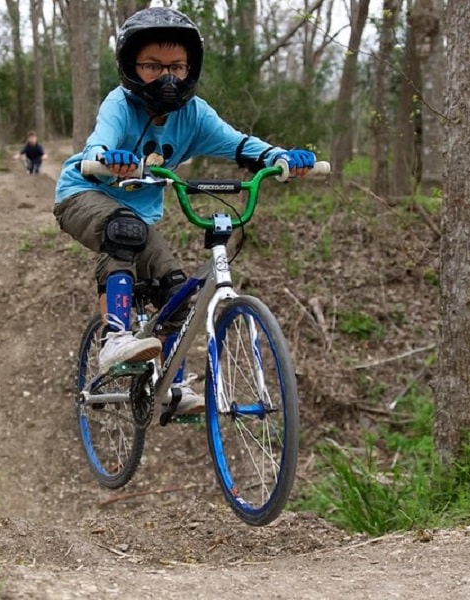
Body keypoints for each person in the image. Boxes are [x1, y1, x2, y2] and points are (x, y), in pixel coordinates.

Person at [53, 7, 315, 415]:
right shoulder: (120, 105)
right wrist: (106, 159)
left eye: (177, 66)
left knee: (177, 291)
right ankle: (116, 337)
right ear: (130, 66)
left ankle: (172, 386)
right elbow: (98, 145)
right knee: (123, 231)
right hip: (82, 194)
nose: (168, 76)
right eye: (153, 66)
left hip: (140, 217)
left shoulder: (194, 115)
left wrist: (282, 158)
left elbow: (241, 144)